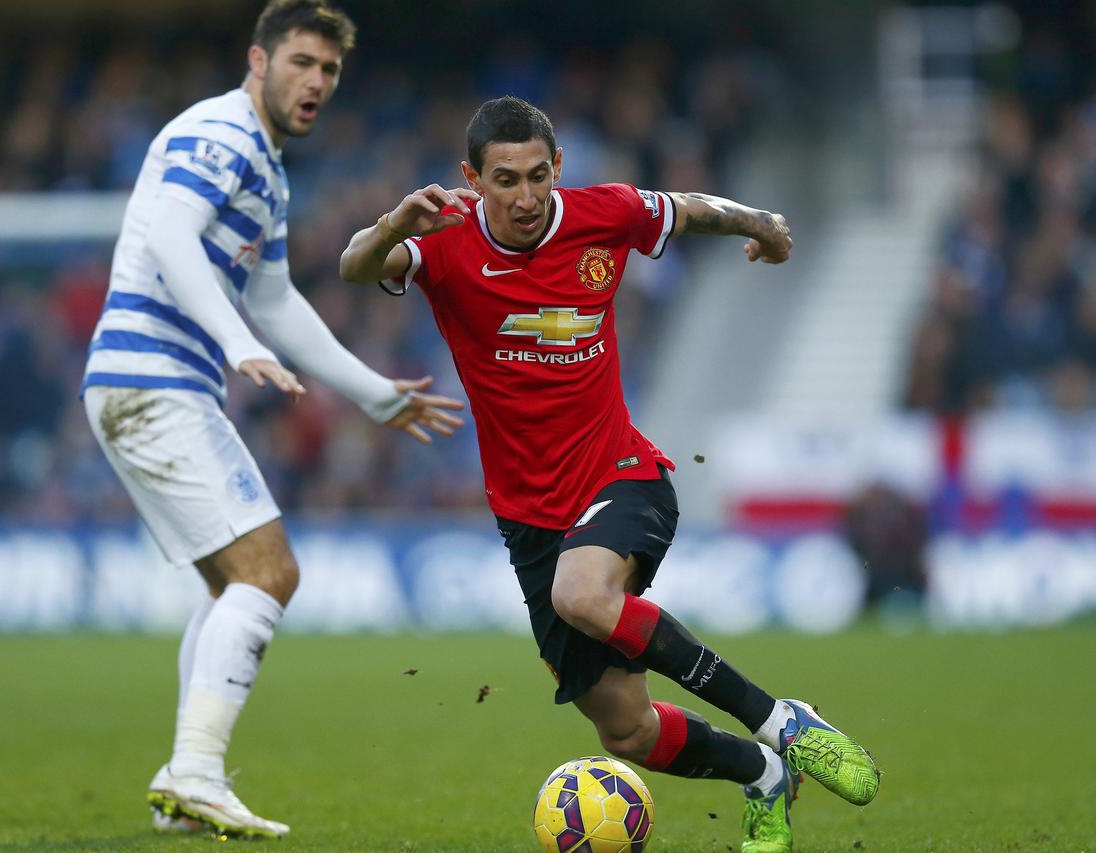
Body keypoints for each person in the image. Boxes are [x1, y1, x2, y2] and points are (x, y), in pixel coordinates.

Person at [340, 96, 878, 853]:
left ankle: (783, 720)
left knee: (582, 594)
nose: (525, 197)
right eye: (504, 180)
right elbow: (353, 265)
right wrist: (396, 222)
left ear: (558, 167)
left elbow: (688, 208)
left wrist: (760, 221)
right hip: (529, 517)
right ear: (472, 178)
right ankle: (761, 773)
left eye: (537, 176)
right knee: (626, 728)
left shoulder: (604, 214)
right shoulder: (442, 240)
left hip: (620, 474)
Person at [80, 0, 464, 840]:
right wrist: (231, 342)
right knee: (270, 570)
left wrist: (370, 391)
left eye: (329, 69)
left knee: (230, 584)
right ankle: (196, 769)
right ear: (259, 61)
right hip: (154, 379)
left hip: (146, 382)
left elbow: (276, 298)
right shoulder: (221, 136)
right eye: (301, 62)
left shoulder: (268, 165)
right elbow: (174, 238)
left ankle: (181, 781)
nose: (315, 82)